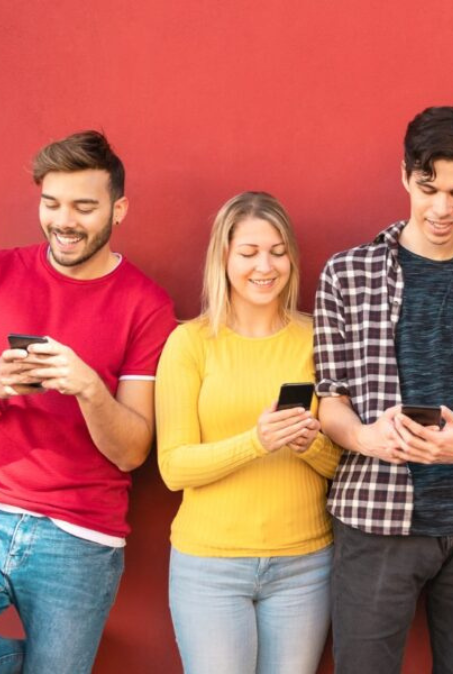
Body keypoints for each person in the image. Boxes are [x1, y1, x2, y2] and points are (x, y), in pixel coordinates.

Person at [313, 105, 453, 673]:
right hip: (375, 515)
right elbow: (330, 396)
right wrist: (365, 437)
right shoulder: (347, 273)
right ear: (404, 175)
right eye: (427, 187)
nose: (441, 208)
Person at [0, 131, 176, 673]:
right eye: (51, 204)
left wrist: (88, 388)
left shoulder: (146, 304)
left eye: (84, 206)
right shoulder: (4, 270)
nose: (64, 221)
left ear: (118, 209)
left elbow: (131, 452)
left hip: (79, 536)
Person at [156, 192, 340, 673]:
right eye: (250, 252)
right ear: (224, 256)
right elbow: (174, 467)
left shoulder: (319, 338)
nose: (266, 265)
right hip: (210, 567)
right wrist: (255, 442)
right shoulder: (189, 343)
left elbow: (345, 464)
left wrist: (309, 444)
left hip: (304, 565)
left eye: (278, 251)